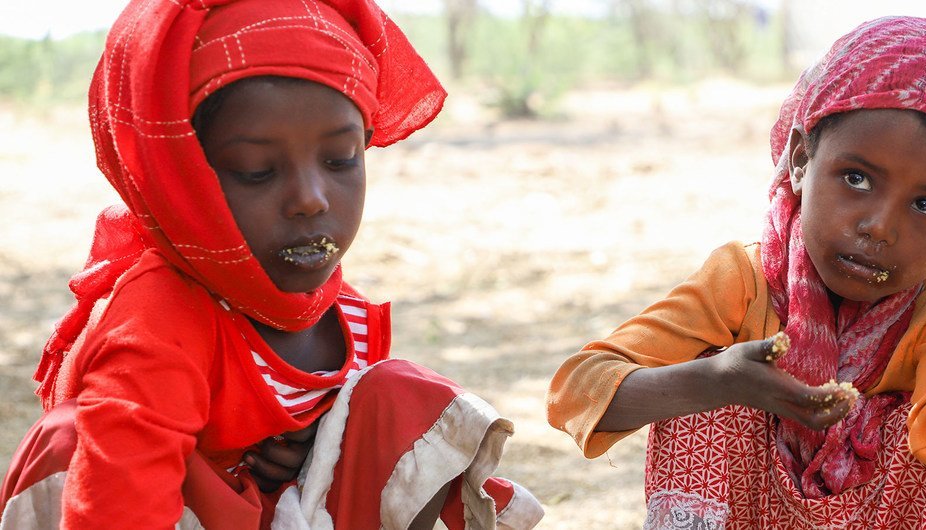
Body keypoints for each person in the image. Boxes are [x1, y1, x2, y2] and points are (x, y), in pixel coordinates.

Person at [0, 1, 543, 528]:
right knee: (71, 442)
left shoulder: (339, 308)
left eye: (340, 160)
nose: (310, 198)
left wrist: (319, 445)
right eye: (257, 170)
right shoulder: (160, 321)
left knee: (401, 396)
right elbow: (119, 504)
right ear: (180, 180)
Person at [547, 16, 926, 529]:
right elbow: (578, 389)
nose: (880, 228)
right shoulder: (746, 279)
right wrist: (716, 382)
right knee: (713, 401)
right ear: (800, 160)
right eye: (856, 178)